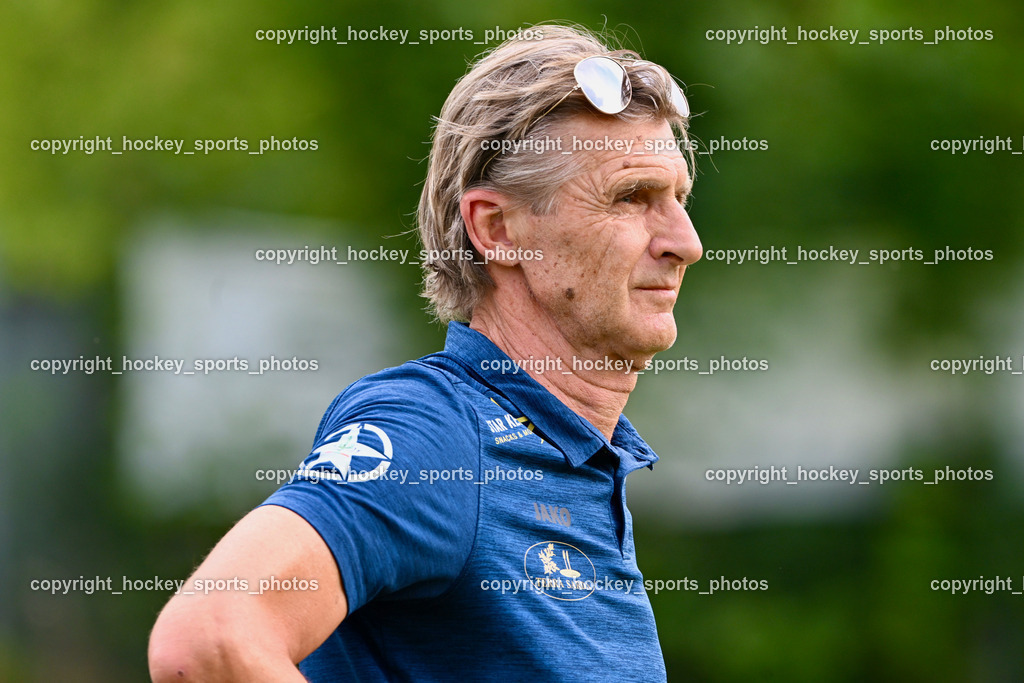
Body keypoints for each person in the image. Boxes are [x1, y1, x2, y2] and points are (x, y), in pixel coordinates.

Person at [148, 23, 701, 681]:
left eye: (678, 199)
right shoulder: (438, 432)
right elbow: (209, 637)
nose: (684, 242)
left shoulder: (576, 459)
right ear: (498, 230)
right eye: (632, 197)